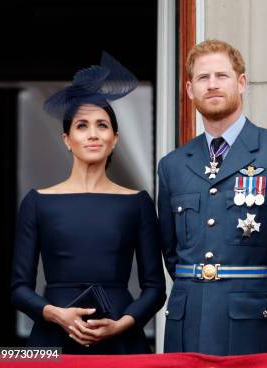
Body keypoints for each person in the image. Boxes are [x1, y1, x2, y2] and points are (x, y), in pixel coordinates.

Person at [10, 53, 167, 354]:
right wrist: (56, 314)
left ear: (115, 138)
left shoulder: (137, 203)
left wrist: (122, 323)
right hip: (53, 337)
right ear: (67, 139)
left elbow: (155, 288)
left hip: (120, 337)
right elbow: (19, 289)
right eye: (82, 126)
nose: (93, 134)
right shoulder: (37, 202)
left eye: (102, 125)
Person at [158, 39, 267, 355]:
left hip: (254, 321)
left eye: (222, 75)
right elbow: (171, 251)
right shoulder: (173, 165)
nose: (212, 84)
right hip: (188, 319)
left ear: (241, 83)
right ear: (190, 90)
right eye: (203, 78)